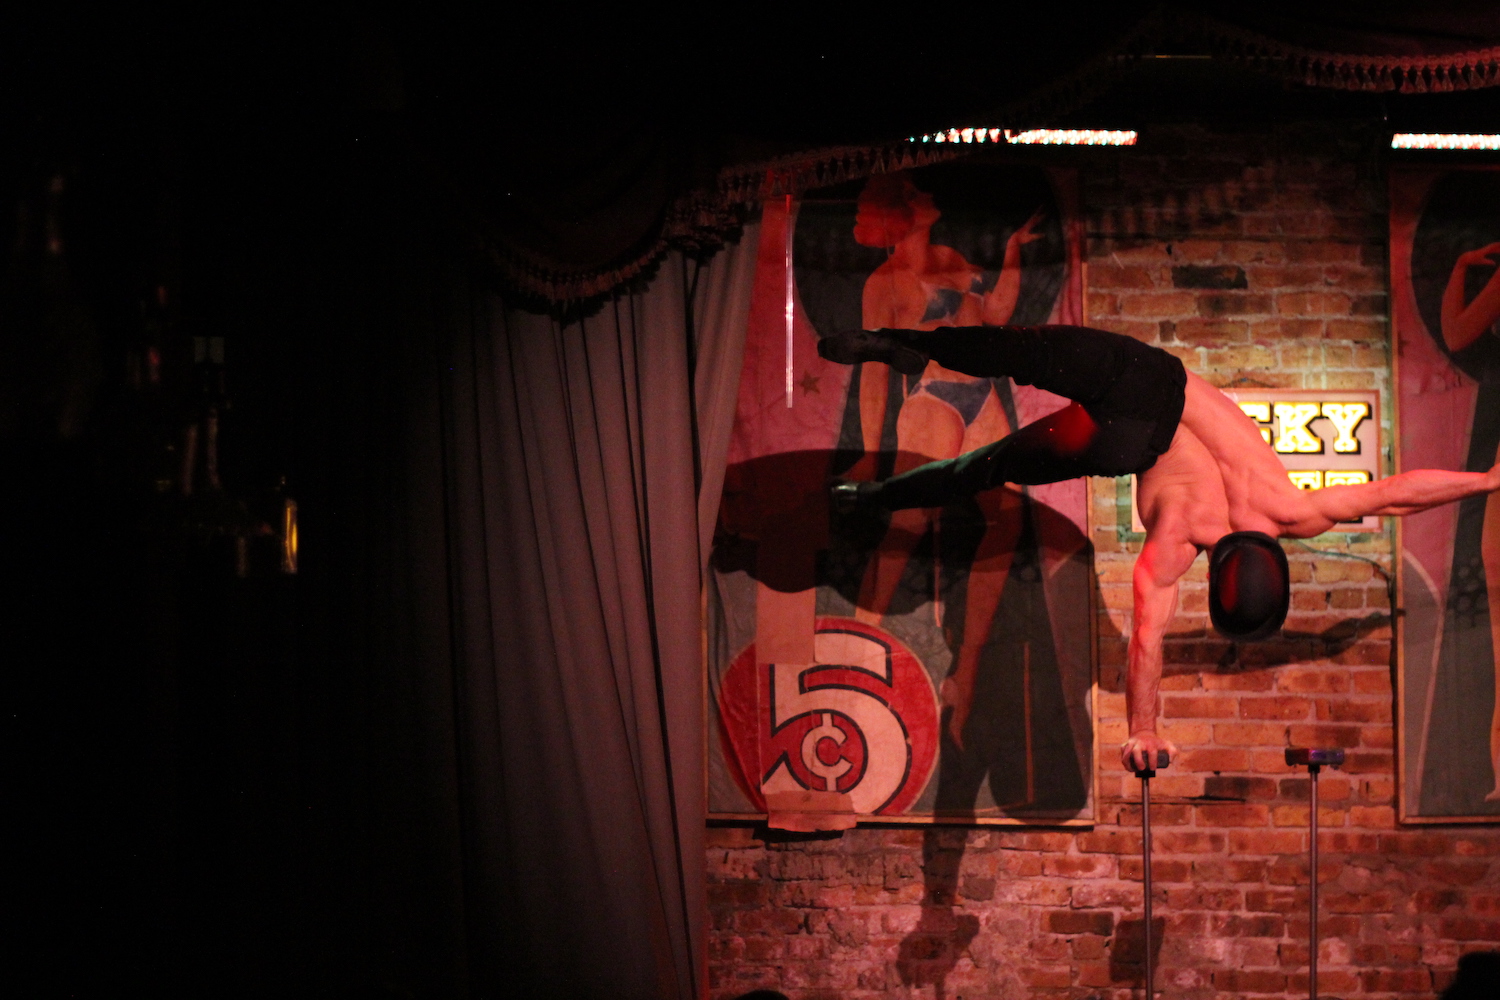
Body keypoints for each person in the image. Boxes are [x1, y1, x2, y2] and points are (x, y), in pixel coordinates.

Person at [819, 323, 1500, 772]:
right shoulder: (1174, 546)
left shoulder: (1296, 510)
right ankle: (870, 500)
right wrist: (1143, 730)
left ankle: (903, 342)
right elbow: (1146, 645)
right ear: (1216, 578)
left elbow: (1399, 491)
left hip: (1148, 383)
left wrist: (1487, 480)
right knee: (989, 466)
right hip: (1119, 442)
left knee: (1024, 350)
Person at [842, 172, 1046, 749]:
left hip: (980, 398)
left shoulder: (953, 255)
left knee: (1005, 520)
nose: (927, 193)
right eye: (913, 193)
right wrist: (870, 453)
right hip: (931, 402)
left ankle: (967, 670)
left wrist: (1010, 254)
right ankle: (863, 634)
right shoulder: (884, 283)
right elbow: (875, 371)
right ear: (899, 212)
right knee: (910, 523)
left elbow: (996, 315)